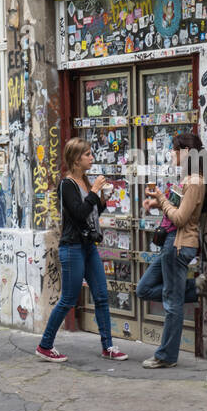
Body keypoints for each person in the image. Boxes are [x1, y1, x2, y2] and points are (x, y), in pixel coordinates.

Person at [35, 138, 128, 363]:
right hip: (72, 247)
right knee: (67, 299)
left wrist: (102, 199)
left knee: (101, 296)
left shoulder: (85, 181)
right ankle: (45, 345)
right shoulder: (67, 184)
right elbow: (78, 213)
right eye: (87, 154)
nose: (91, 158)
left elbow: (91, 212)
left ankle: (108, 346)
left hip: (88, 246)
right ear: (77, 159)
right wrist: (95, 192)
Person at [137, 132, 207, 369]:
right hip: (171, 244)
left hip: (179, 246)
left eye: (175, 149)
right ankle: (194, 288)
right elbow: (176, 209)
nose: (172, 153)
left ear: (186, 152)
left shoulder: (196, 181)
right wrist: (157, 202)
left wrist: (161, 198)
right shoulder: (189, 179)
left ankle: (166, 356)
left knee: (172, 303)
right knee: (144, 288)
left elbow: (179, 218)